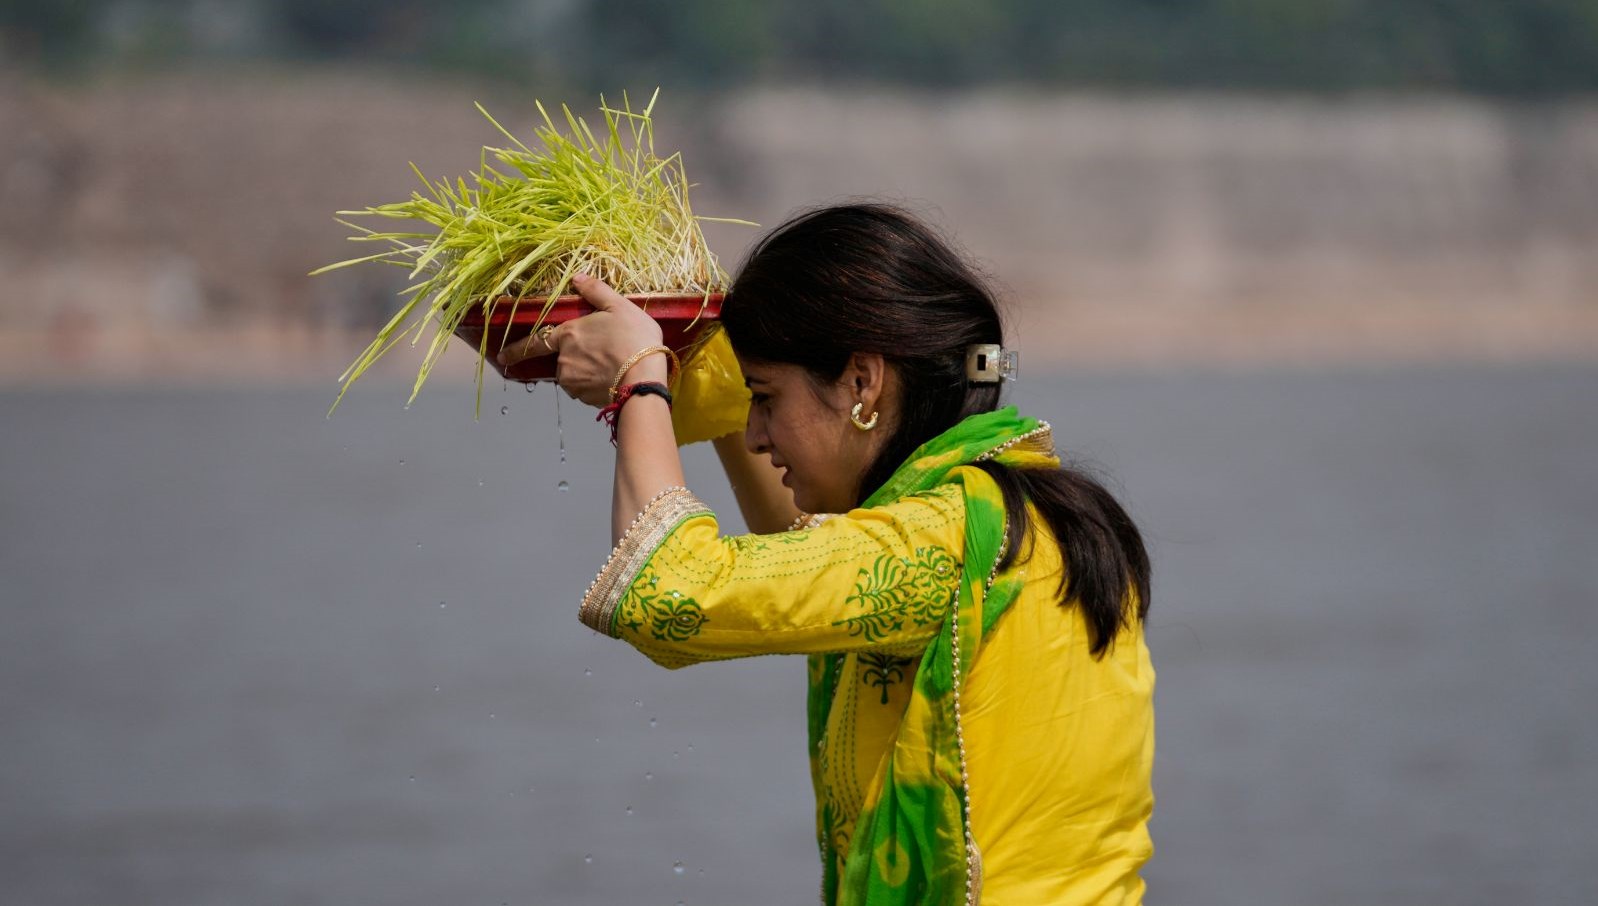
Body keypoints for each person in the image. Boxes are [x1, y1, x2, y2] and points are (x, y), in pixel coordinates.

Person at [498, 204, 1154, 905]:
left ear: (863, 383)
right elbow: (797, 555)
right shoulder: (1015, 509)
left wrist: (641, 379)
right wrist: (693, 355)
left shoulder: (947, 537)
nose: (753, 436)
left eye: (766, 398)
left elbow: (667, 592)